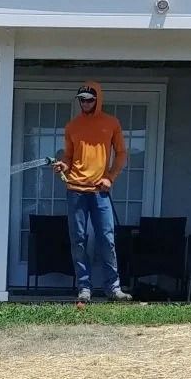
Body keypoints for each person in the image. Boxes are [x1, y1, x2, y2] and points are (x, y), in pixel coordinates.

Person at [53, 82, 131, 303]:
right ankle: (84, 288)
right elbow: (68, 156)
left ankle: (113, 288)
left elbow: (122, 154)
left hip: (100, 191)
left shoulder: (111, 124)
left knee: (107, 239)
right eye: (82, 99)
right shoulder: (72, 127)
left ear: (98, 100)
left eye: (89, 99)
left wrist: (110, 177)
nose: (85, 103)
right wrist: (64, 166)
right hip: (75, 190)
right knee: (78, 240)